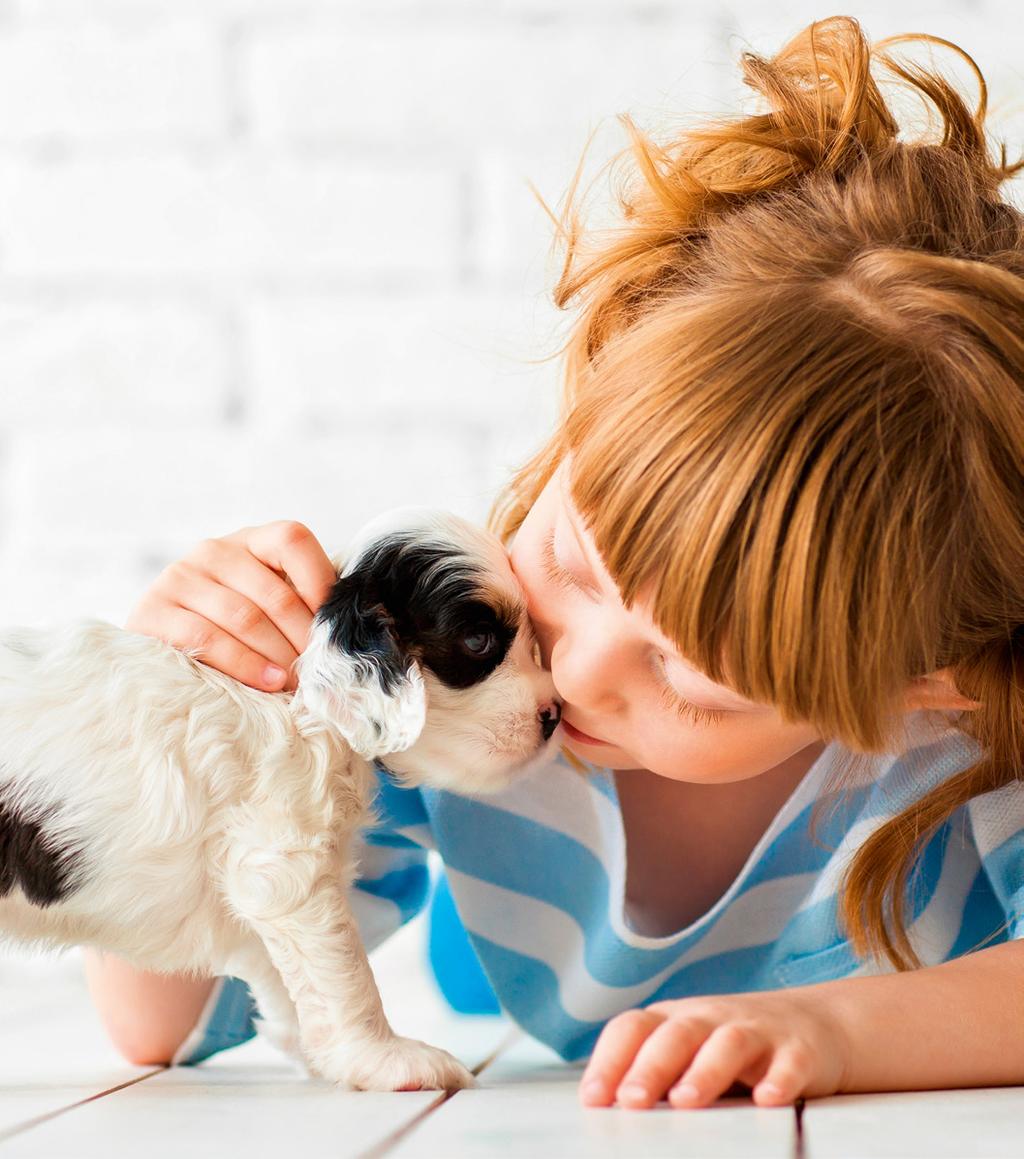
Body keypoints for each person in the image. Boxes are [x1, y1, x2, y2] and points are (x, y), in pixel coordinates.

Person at [85, 15, 1024, 1110]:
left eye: (682, 677)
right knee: (436, 941)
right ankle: (454, 932)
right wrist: (164, 719)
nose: (571, 675)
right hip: (503, 947)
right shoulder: (434, 696)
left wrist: (831, 1026)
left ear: (924, 681)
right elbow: (160, 1027)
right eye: (572, 567)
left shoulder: (969, 741)